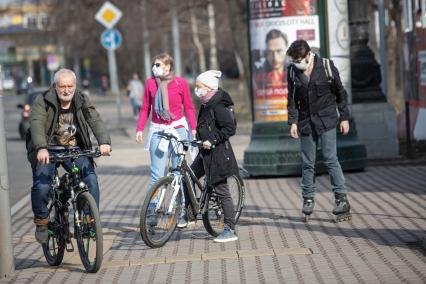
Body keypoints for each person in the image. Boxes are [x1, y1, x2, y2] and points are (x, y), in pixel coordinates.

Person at [26, 68, 112, 243]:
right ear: (55, 86)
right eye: (62, 86)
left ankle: (89, 221)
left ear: (75, 86)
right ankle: (42, 221)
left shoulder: (81, 99)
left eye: (70, 86)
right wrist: (41, 147)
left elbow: (94, 119)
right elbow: (36, 123)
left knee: (90, 180)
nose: (66, 90)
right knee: (42, 187)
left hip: (73, 149)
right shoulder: (42, 100)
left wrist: (104, 142)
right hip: (47, 151)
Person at [286, 40, 351, 222]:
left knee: (331, 159)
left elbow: (340, 93)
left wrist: (344, 117)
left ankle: (341, 199)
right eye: (293, 60)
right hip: (306, 121)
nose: (296, 63)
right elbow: (291, 98)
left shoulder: (327, 67)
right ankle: (308, 199)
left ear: (308, 55)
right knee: (308, 162)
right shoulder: (292, 71)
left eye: (298, 59)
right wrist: (293, 122)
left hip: (327, 119)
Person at [180, 70, 239, 243]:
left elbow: (229, 128)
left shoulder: (218, 105)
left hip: (219, 155)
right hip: (204, 154)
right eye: (196, 87)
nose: (196, 90)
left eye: (199, 87)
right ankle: (190, 214)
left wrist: (212, 140)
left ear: (209, 87)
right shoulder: (206, 103)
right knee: (187, 178)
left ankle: (230, 229)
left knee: (222, 191)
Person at [135, 53, 197, 190]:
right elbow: (145, 108)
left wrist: (193, 127)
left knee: (178, 172)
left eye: (158, 65)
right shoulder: (150, 83)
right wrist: (139, 129)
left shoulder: (181, 83)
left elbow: (188, 107)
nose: (154, 68)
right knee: (156, 174)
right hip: (158, 130)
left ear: (168, 66)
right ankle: (152, 209)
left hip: (178, 128)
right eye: (153, 65)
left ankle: (181, 209)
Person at [253, 29, 289, 121]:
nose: (275, 58)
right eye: (270, 52)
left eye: (279, 51)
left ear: (286, 49)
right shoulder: (258, 77)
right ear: (265, 52)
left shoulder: (295, 74)